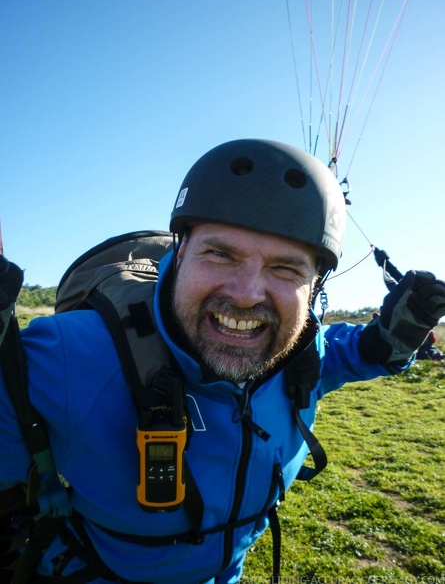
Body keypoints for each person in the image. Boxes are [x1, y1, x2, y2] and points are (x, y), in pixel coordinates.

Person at [1, 139, 445, 584]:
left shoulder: (301, 352)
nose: (246, 293)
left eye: (286, 268)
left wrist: (395, 337)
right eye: (220, 254)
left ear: (314, 287)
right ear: (179, 251)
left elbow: (354, 353)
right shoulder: (68, 355)